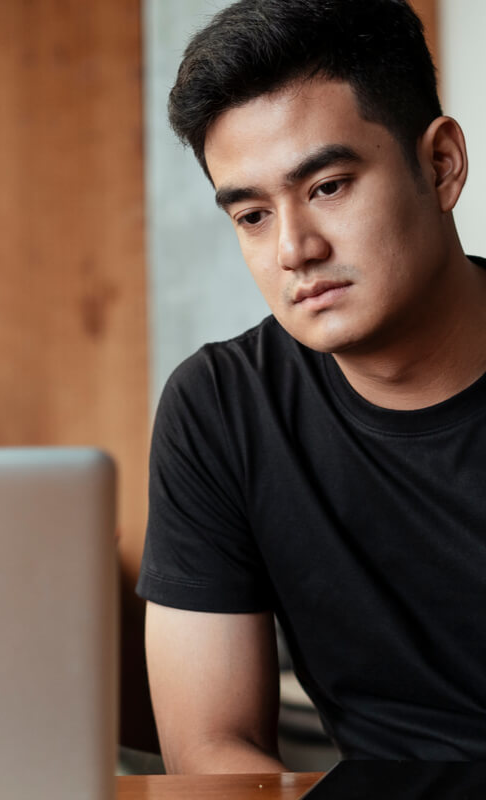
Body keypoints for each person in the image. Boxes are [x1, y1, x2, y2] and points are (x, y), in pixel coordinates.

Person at [138, 0, 486, 774]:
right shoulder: (222, 407)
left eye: (327, 186)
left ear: (440, 165)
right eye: (253, 215)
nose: (294, 248)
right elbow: (212, 748)